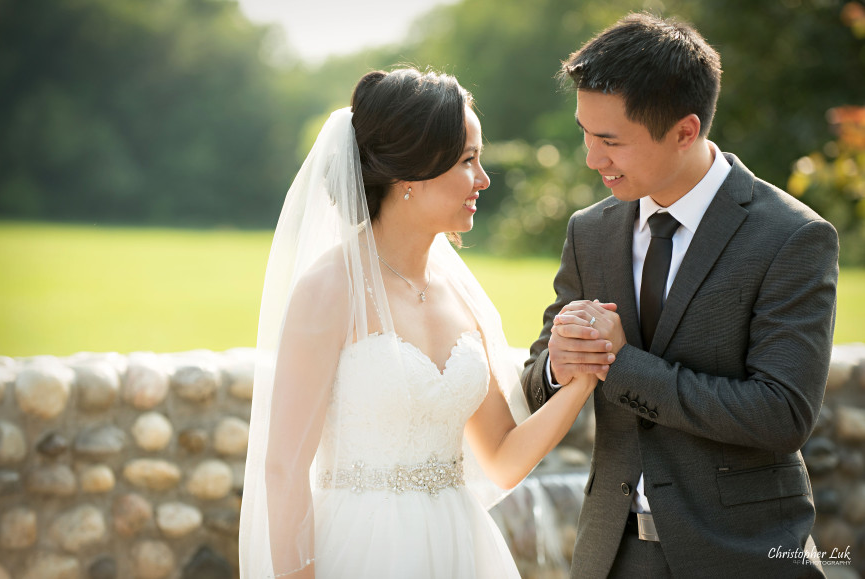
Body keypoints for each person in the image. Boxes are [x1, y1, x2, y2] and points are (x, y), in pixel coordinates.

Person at [238, 67, 598, 579]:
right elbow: (284, 470)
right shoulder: (329, 289)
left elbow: (501, 458)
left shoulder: (462, 297)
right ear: (411, 173)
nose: (483, 179)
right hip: (361, 550)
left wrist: (584, 378)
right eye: (468, 160)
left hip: (460, 547)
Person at [521, 13, 839, 578]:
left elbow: (780, 414)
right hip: (610, 557)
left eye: (610, 141)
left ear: (685, 131)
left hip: (744, 557)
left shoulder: (792, 237)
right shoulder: (588, 232)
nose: (592, 159)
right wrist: (557, 364)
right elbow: (536, 381)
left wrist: (618, 363)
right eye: (585, 133)